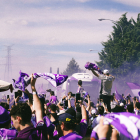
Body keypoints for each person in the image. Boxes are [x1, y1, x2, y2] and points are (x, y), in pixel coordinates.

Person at [10, 74, 49, 140]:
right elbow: (39, 111)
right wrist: (33, 88)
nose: (12, 124)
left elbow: (38, 111)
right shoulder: (40, 131)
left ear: (18, 119)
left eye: (12, 121)